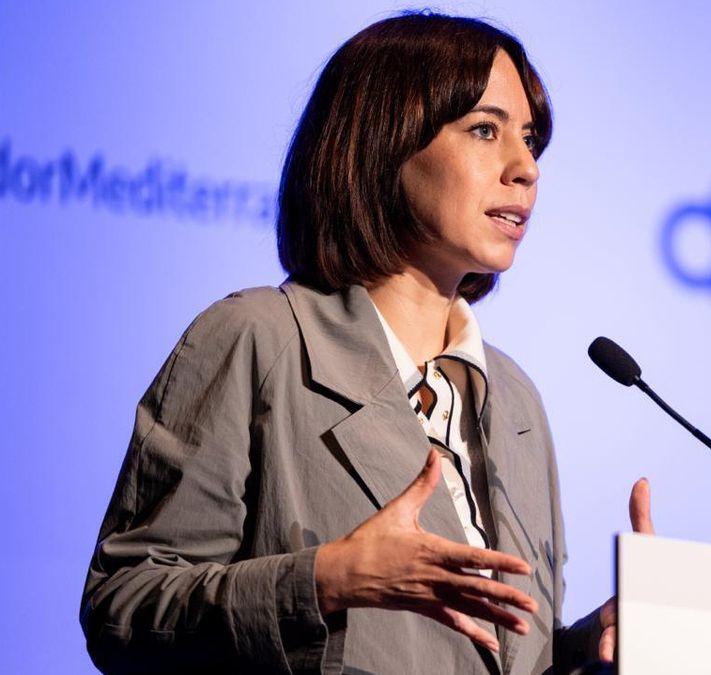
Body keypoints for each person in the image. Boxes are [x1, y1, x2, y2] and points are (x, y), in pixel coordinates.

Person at [80, 12, 652, 675]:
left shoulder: (515, 398)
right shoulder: (259, 339)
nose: (526, 168)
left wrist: (591, 648)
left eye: (529, 139)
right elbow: (122, 607)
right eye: (485, 130)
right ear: (384, 144)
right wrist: (325, 579)